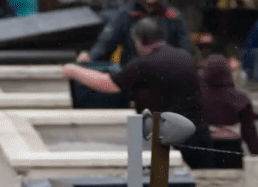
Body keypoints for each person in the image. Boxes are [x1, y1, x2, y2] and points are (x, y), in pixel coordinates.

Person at [62, 17, 209, 168]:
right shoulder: (183, 56)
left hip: (174, 139)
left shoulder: (144, 64)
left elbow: (108, 84)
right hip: (198, 132)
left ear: (139, 42)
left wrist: (74, 71)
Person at [77, 0, 192, 67]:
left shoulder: (173, 16)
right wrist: (90, 57)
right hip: (133, 73)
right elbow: (107, 41)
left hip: (165, 74)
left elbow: (184, 48)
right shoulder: (126, 14)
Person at [200, 54, 258, 168]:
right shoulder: (240, 100)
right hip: (232, 152)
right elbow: (250, 133)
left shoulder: (198, 98)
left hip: (204, 151)